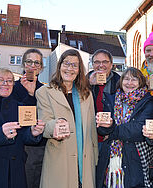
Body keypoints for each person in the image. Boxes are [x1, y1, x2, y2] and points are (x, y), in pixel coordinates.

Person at [36, 49, 98, 188]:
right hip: (59, 158)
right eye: (66, 63)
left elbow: (92, 129)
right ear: (59, 66)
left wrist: (95, 156)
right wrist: (55, 126)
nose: (70, 68)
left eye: (74, 65)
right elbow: (44, 124)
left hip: (85, 159)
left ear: (79, 70)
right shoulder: (44, 92)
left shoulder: (86, 94)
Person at [96, 67, 153, 188]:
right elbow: (102, 129)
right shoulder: (111, 99)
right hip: (110, 156)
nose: (129, 83)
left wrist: (112, 128)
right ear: (121, 81)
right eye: (126, 79)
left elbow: (138, 129)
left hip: (135, 157)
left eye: (134, 80)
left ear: (141, 83)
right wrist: (104, 127)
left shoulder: (148, 101)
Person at [11, 48, 45, 188]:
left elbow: (44, 115)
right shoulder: (12, 87)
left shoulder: (44, 90)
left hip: (38, 147)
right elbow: (15, 115)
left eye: (37, 63)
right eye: (29, 61)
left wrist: (33, 94)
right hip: (18, 145)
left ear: (41, 67)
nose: (32, 65)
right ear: (24, 64)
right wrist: (29, 96)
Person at [88, 49, 120, 149]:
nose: (101, 65)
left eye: (105, 62)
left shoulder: (119, 82)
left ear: (111, 64)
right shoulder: (85, 80)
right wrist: (88, 84)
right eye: (97, 62)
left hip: (110, 136)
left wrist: (113, 131)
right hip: (89, 136)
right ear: (92, 65)